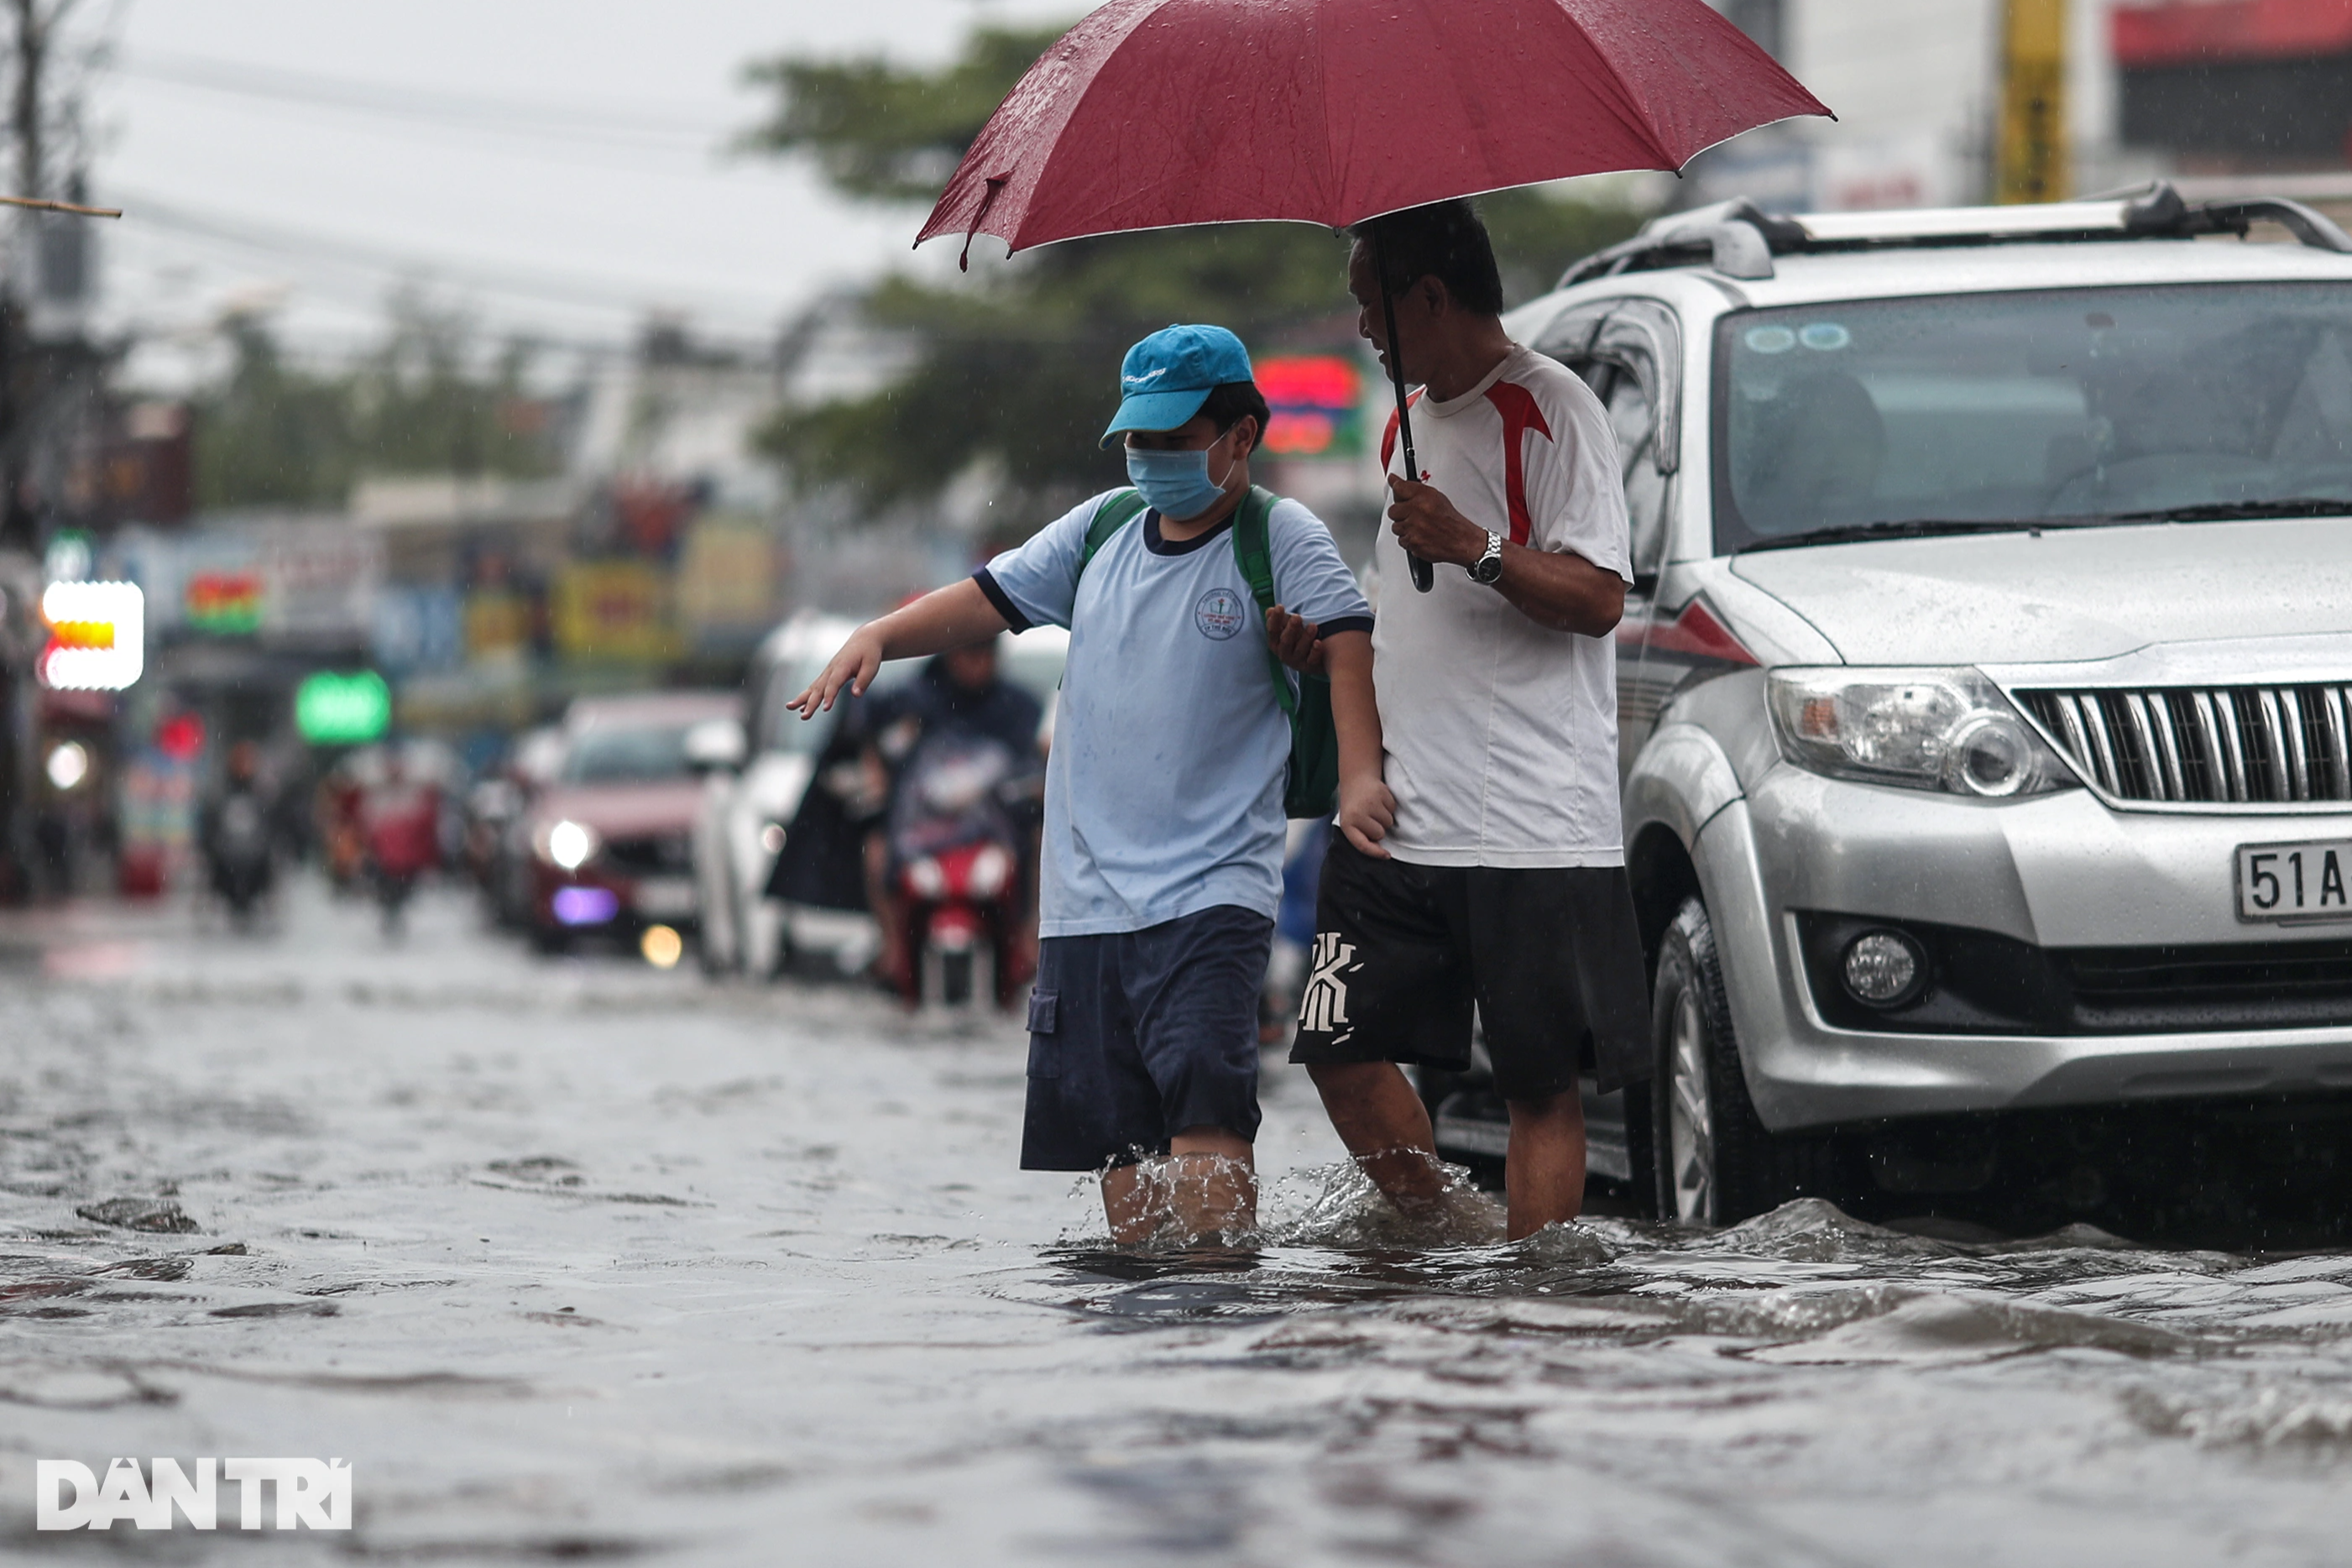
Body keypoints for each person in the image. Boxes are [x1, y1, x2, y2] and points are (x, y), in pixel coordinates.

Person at [792, 323, 1389, 1244]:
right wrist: (881, 632)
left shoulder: (1279, 536)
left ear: (1242, 435)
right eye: (1138, 440)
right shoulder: (1100, 531)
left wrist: (1358, 780)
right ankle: (1145, 1337)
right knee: (1118, 1148)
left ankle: (1216, 1321)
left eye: (1174, 438)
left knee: (1207, 1120)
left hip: (1212, 890)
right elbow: (988, 598)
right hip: (1085, 903)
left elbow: (1349, 644)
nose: (1151, 458)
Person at [1279, 200, 1651, 1241]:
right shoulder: (1401, 419)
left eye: (1368, 302)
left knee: (1540, 1086)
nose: (1358, 326)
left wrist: (1475, 543)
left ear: (1428, 297)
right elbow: (1407, 599)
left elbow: (1600, 598)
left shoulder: (1555, 407)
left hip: (1532, 821)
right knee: (1336, 1048)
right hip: (1400, 810)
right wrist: (1320, 645)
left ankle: (1531, 1302)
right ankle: (1449, 1237)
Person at [858, 640, 1045, 1001]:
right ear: (950, 655)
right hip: (919, 832)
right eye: (969, 653)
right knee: (876, 850)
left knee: (1041, 841)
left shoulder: (1016, 706)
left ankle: (1028, 940)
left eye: (985, 654)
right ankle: (893, 949)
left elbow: (1033, 763)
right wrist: (878, 776)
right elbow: (871, 737)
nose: (977, 664)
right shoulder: (912, 700)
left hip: (993, 833)